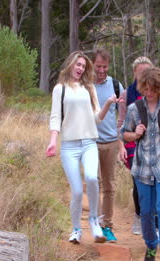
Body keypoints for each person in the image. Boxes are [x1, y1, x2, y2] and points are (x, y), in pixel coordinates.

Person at [46, 51, 122, 244]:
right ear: (70, 65)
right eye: (77, 64)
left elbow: (97, 117)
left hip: (89, 142)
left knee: (91, 178)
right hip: (69, 146)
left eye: (82, 65)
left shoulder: (89, 89)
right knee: (78, 191)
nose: (80, 68)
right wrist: (53, 141)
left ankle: (94, 221)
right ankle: (76, 230)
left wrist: (107, 104)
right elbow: (55, 117)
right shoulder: (59, 89)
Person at [120, 67, 160, 261]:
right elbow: (124, 133)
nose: (149, 93)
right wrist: (135, 134)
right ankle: (150, 246)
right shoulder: (134, 109)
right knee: (146, 211)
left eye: (153, 89)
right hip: (142, 168)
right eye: (146, 89)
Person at [92, 48, 125, 243]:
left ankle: (108, 226)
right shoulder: (86, 85)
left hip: (111, 142)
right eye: (98, 66)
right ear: (92, 65)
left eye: (104, 67)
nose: (101, 70)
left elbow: (123, 113)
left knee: (109, 186)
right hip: (91, 142)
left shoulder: (115, 85)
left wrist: (121, 141)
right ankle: (96, 223)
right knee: (93, 182)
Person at [118, 56, 153, 235]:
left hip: (153, 145)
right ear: (134, 73)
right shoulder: (126, 95)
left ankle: (152, 220)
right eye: (140, 72)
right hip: (132, 144)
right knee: (138, 182)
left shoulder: (156, 92)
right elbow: (121, 124)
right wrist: (121, 146)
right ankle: (139, 216)